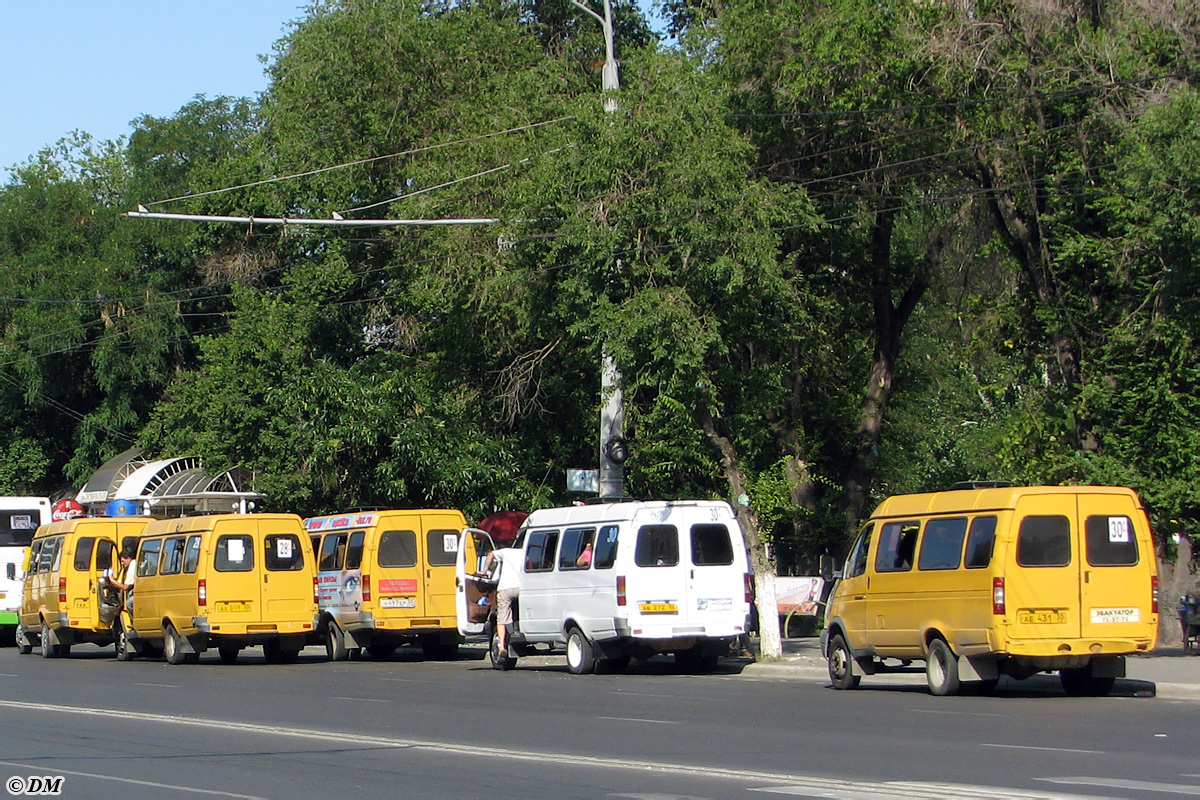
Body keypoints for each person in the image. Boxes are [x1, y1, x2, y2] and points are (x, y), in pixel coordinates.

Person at [480, 546, 521, 656]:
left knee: (502, 618)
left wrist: (485, 570)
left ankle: (502, 646)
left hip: (506, 588)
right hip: (521, 587)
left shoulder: (505, 552)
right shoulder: (525, 551)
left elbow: (490, 554)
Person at [106, 545, 137, 615]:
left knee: (129, 603)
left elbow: (125, 587)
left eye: (123, 561)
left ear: (129, 558)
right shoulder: (129, 566)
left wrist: (113, 581)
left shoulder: (132, 566)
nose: (122, 563)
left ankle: (134, 621)